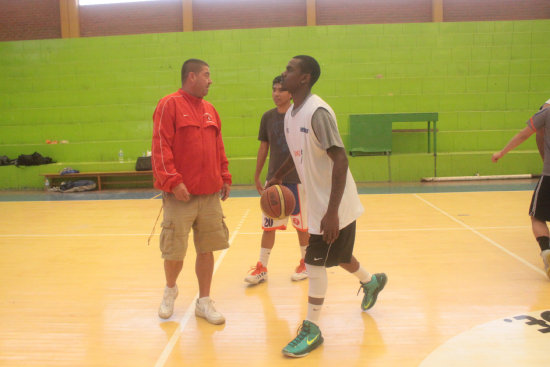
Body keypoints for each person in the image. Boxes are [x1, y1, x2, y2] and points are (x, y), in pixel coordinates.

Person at [268, 55, 388, 357]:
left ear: (305, 78)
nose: (285, 73)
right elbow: (298, 152)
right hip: (318, 201)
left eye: (291, 69)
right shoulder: (290, 115)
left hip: (336, 204)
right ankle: (371, 281)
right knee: (339, 255)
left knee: (313, 261)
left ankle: (312, 328)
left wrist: (332, 212)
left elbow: (341, 159)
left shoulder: (317, 112)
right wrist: (280, 174)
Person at [151, 59, 232, 325]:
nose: (211, 80)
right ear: (192, 76)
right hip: (180, 196)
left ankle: (204, 302)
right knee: (174, 251)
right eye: (207, 75)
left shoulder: (210, 110)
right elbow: (161, 147)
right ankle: (170, 289)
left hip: (209, 195)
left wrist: (224, 176)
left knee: (207, 249)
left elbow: (218, 146)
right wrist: (173, 182)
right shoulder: (169, 105)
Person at [244, 75, 309, 285]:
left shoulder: (299, 116)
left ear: (291, 93)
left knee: (302, 225)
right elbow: (264, 147)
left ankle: (306, 262)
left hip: (297, 179)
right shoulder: (268, 117)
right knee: (268, 225)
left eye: (281, 90)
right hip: (274, 181)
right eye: (274, 89)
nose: (276, 94)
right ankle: (261, 268)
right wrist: (257, 175)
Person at [492, 98, 550, 280]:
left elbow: (524, 134)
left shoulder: (546, 113)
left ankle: (547, 250)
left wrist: (502, 152)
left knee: (537, 217)